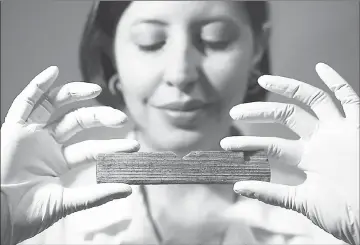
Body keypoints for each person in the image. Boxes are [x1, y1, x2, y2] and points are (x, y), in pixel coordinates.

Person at [1, 1, 358, 245]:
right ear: (111, 58)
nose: (181, 73)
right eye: (150, 42)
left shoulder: (328, 219)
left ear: (258, 49)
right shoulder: (49, 230)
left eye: (214, 39)